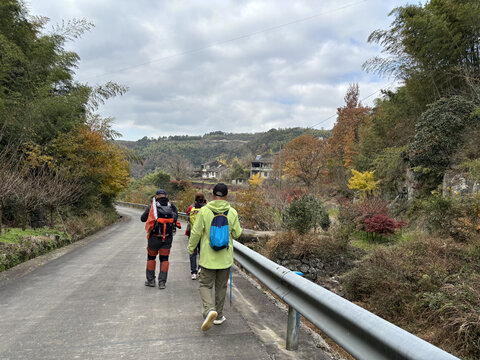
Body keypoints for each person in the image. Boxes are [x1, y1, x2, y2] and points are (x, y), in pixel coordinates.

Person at [187, 183, 242, 331]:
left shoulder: (204, 211)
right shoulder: (232, 212)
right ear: (227, 195)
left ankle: (209, 309)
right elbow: (237, 233)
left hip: (207, 259)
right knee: (221, 287)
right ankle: (218, 316)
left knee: (205, 285)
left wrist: (191, 248)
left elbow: (196, 232)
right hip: (225, 258)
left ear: (212, 194)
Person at [141, 189, 180, 289]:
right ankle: (162, 282)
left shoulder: (152, 207)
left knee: (151, 258)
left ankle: (151, 281)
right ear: (166, 196)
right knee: (164, 259)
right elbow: (175, 219)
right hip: (167, 238)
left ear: (156, 196)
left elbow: (143, 219)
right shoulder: (171, 206)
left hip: (154, 238)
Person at [186, 193, 207, 280]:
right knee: (202, 253)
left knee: (193, 253)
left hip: (193, 233)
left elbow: (187, 214)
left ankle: (193, 272)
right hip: (203, 234)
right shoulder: (206, 208)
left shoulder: (191, 207)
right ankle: (200, 269)